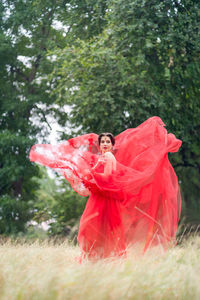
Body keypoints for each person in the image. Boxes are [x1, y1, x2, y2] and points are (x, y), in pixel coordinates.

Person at [29, 116, 182, 260]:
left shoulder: (109, 157)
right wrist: (89, 177)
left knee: (96, 228)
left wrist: (91, 177)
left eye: (108, 142)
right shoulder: (101, 158)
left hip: (105, 199)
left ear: (112, 144)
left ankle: (105, 259)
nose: (105, 144)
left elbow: (108, 176)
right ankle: (99, 260)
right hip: (99, 197)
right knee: (95, 228)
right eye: (102, 142)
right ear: (100, 144)